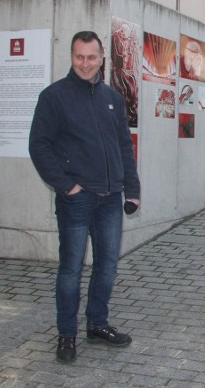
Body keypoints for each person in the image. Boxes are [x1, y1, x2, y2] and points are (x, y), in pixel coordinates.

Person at [29, 31, 141, 364]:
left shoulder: (113, 98)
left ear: (102, 57)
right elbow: (39, 146)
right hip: (76, 199)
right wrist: (66, 186)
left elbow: (124, 146)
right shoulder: (54, 97)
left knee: (106, 267)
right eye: (79, 57)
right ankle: (66, 335)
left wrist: (131, 189)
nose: (85, 63)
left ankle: (97, 325)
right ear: (71, 56)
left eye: (91, 57)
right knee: (71, 270)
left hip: (111, 198)